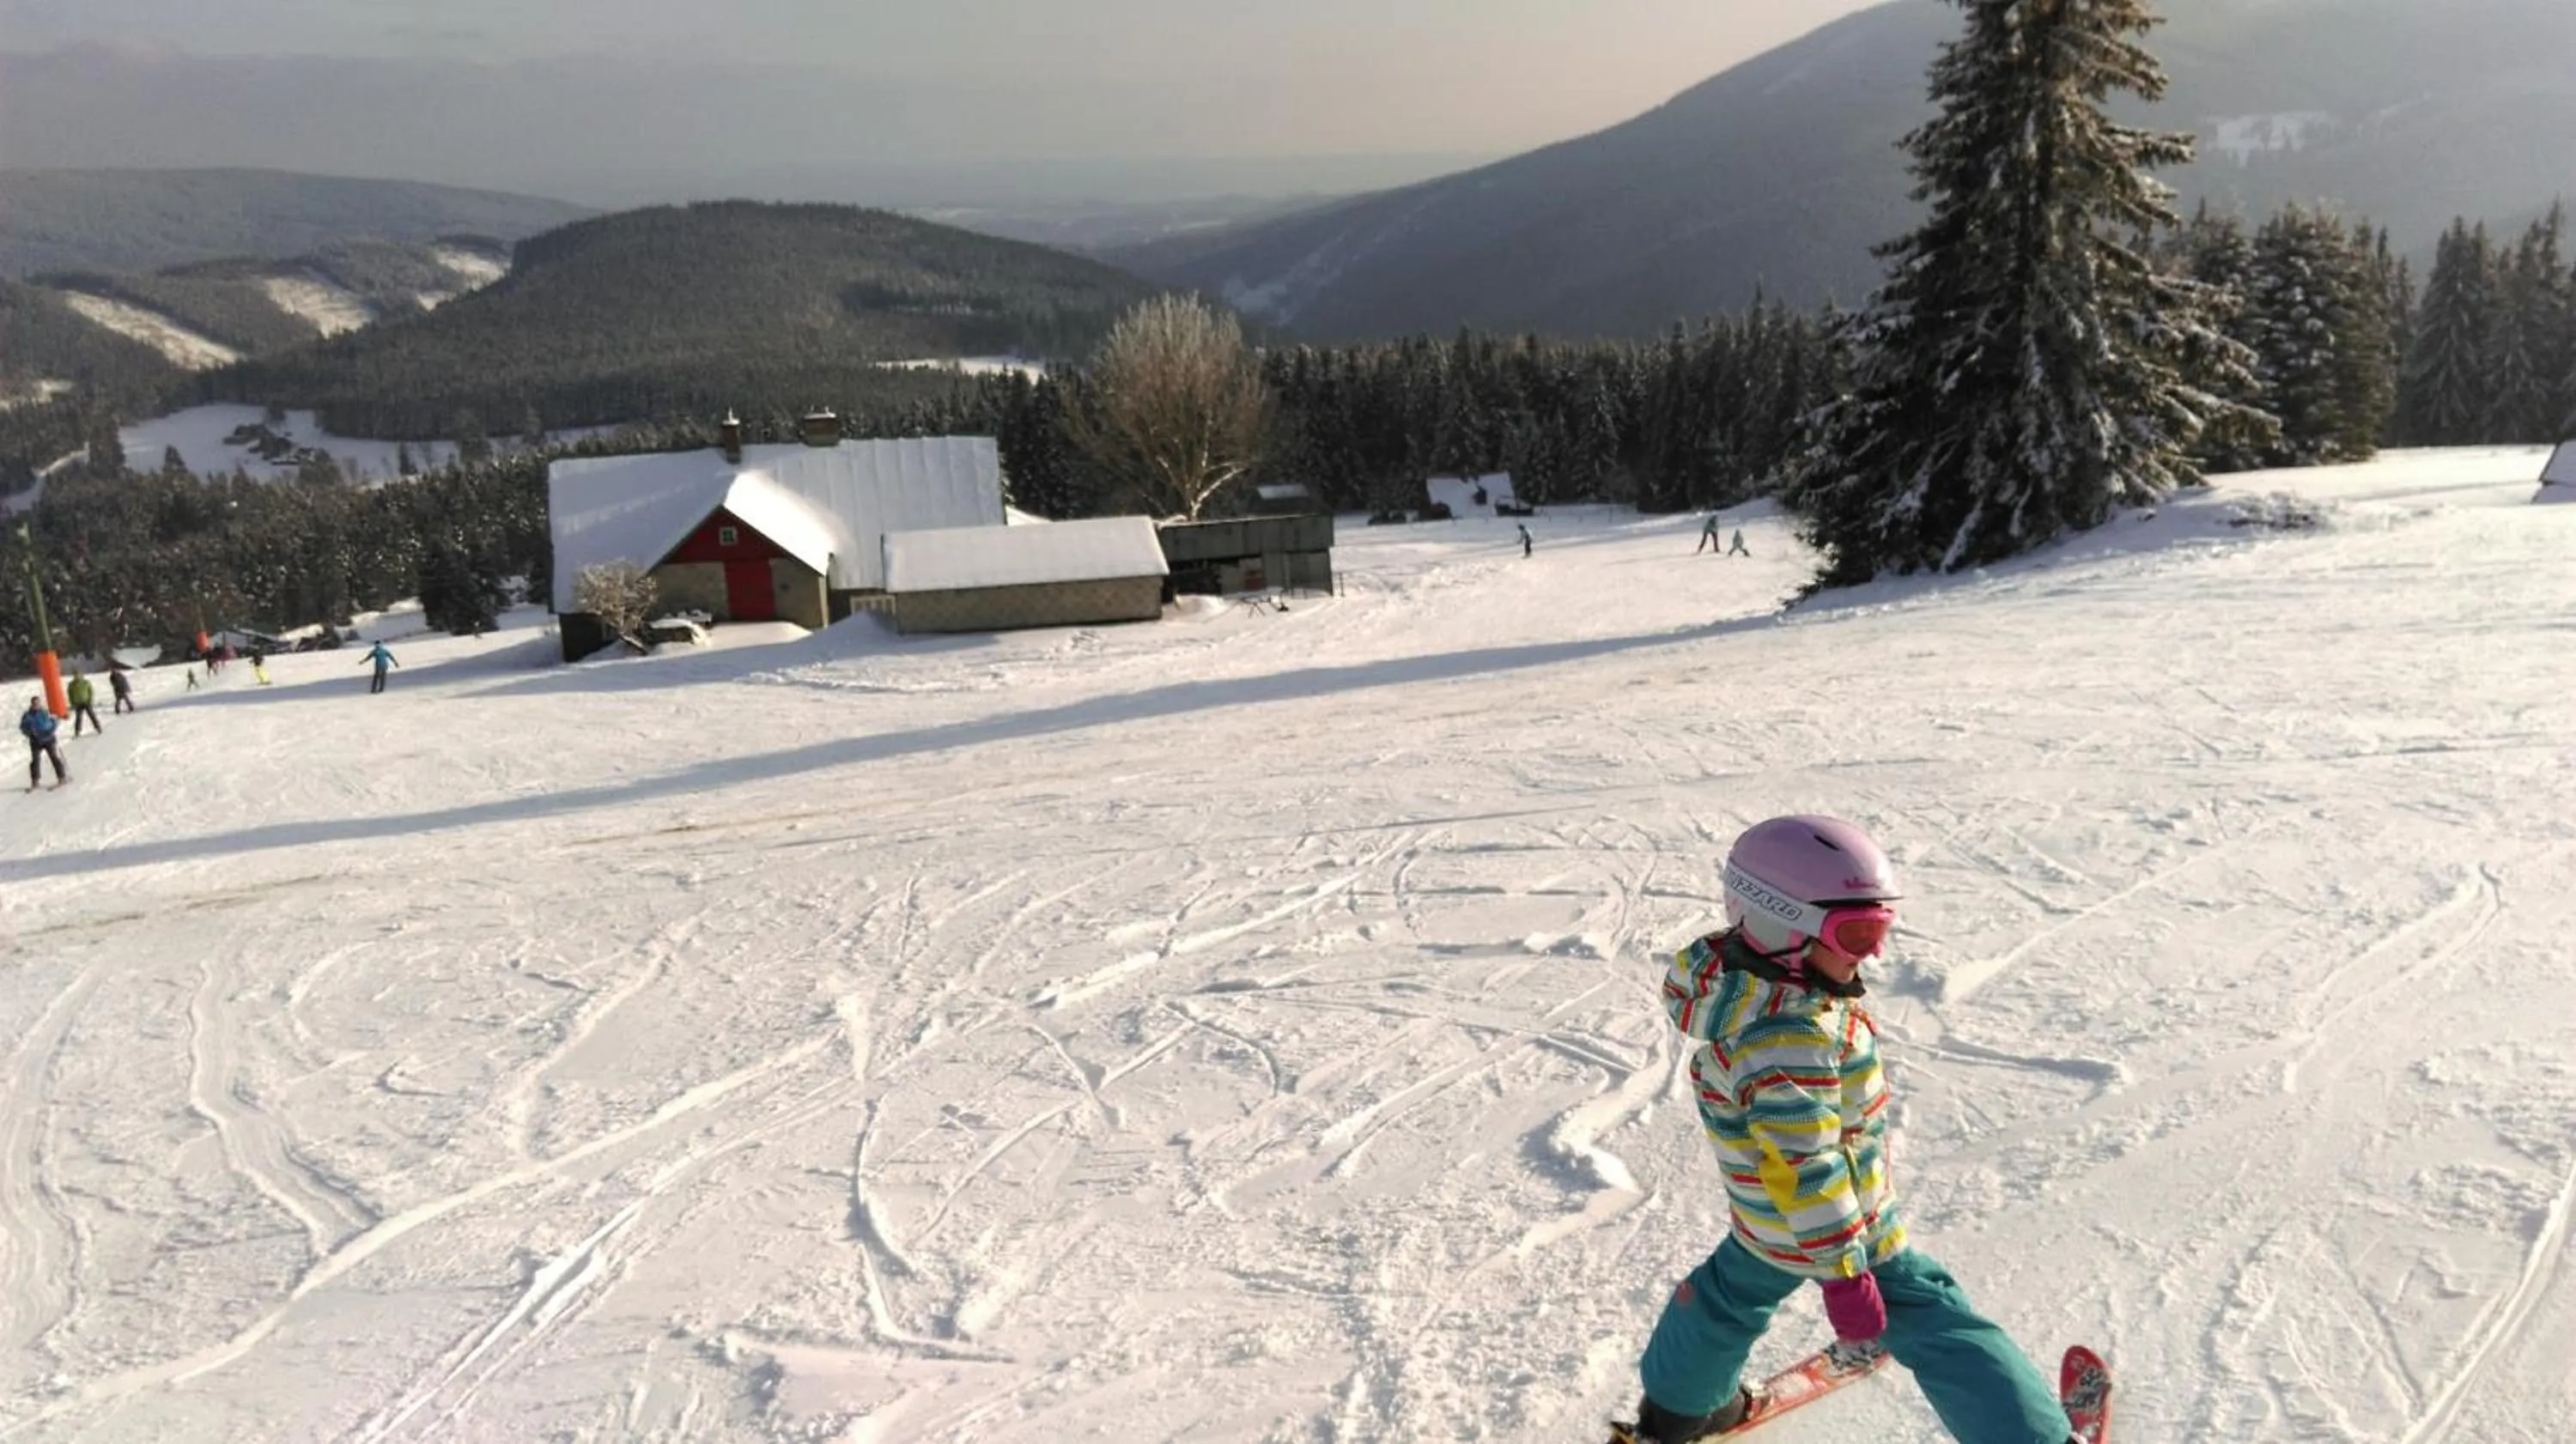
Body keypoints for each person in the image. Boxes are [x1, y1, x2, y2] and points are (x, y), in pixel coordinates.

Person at [1615, 816, 2078, 1444]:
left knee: (1722, 1300)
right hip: (1846, 1229)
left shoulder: (1749, 994)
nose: (1875, 952)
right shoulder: (1791, 1038)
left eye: (1881, 929)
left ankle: (1679, 1415)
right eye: (1857, 933)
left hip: (1767, 1225)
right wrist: (1845, 1272)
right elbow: (1807, 1165)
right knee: (1941, 1325)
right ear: (1782, 926)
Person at [20, 697, 67, 791]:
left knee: (54, 758)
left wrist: (52, 730)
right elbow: (22, 727)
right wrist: (29, 734)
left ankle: (62, 777)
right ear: (32, 704)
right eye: (34, 704)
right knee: (35, 761)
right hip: (35, 741)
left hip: (48, 739)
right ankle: (35, 781)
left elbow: (55, 721)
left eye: (37, 703)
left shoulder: (45, 712)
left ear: (40, 704)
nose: (36, 705)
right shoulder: (27, 715)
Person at [67, 671, 103, 736]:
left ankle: (98, 727)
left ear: (81, 675)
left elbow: (91, 692)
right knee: (79, 717)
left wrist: (90, 700)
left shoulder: (86, 682)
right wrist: (72, 703)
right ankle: (77, 731)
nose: (77, 677)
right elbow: (70, 695)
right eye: (75, 675)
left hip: (86, 702)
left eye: (78, 675)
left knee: (92, 715)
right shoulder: (71, 684)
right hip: (77, 703)